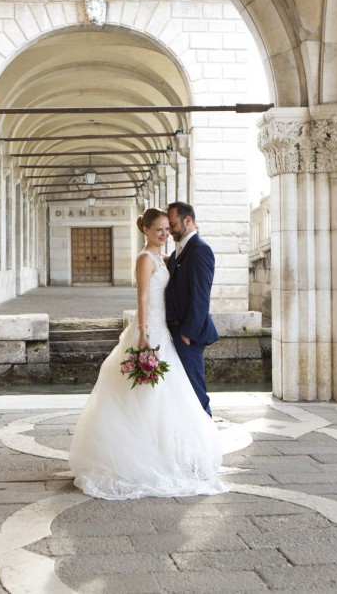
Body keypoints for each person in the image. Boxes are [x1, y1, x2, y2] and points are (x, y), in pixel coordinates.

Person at [69, 208, 226, 500]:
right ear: (146, 231)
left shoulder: (164, 257)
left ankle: (174, 453)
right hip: (150, 330)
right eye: (160, 230)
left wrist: (189, 238)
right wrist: (142, 334)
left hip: (165, 331)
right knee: (148, 396)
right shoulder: (144, 259)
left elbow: (180, 265)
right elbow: (142, 297)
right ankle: (145, 454)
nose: (166, 234)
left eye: (169, 228)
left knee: (173, 395)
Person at [165, 201, 221, 416]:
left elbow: (201, 296)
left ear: (188, 221)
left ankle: (206, 438)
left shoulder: (200, 250)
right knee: (181, 390)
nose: (170, 231)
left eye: (172, 224)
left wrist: (188, 333)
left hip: (187, 333)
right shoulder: (180, 250)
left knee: (195, 390)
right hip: (174, 332)